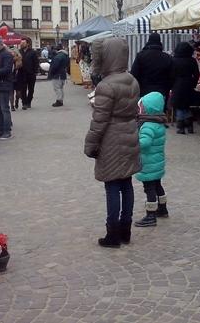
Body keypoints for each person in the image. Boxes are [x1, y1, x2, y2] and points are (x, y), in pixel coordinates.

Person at [84, 37, 140, 248]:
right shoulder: (132, 80)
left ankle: (113, 234)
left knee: (112, 185)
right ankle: (125, 230)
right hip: (129, 133)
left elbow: (100, 121)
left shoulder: (106, 85)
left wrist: (90, 144)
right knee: (126, 183)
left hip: (112, 139)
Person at [135, 92, 169, 227]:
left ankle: (151, 215)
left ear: (148, 108)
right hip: (156, 162)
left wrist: (134, 142)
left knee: (149, 188)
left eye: (142, 106)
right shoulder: (158, 122)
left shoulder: (148, 125)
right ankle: (163, 208)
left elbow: (144, 143)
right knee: (157, 185)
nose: (140, 109)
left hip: (148, 163)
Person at [130, 33, 173, 109]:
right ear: (160, 41)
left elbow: (134, 74)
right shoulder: (167, 57)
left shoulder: (141, 56)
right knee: (159, 114)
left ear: (148, 41)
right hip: (161, 92)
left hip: (144, 92)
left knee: (144, 113)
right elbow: (171, 76)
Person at [170, 42, 200, 134]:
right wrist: (194, 84)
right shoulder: (192, 60)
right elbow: (196, 74)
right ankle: (189, 125)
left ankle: (181, 127)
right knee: (186, 106)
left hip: (177, 84)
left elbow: (170, 74)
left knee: (179, 106)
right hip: (188, 84)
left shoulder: (173, 60)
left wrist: (171, 85)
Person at [19, 38, 39, 109]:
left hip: (31, 73)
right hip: (21, 73)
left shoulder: (32, 52)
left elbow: (36, 62)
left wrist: (35, 72)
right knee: (23, 89)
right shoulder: (19, 52)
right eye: (21, 43)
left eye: (23, 43)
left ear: (27, 44)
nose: (22, 44)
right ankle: (24, 103)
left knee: (31, 89)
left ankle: (29, 102)